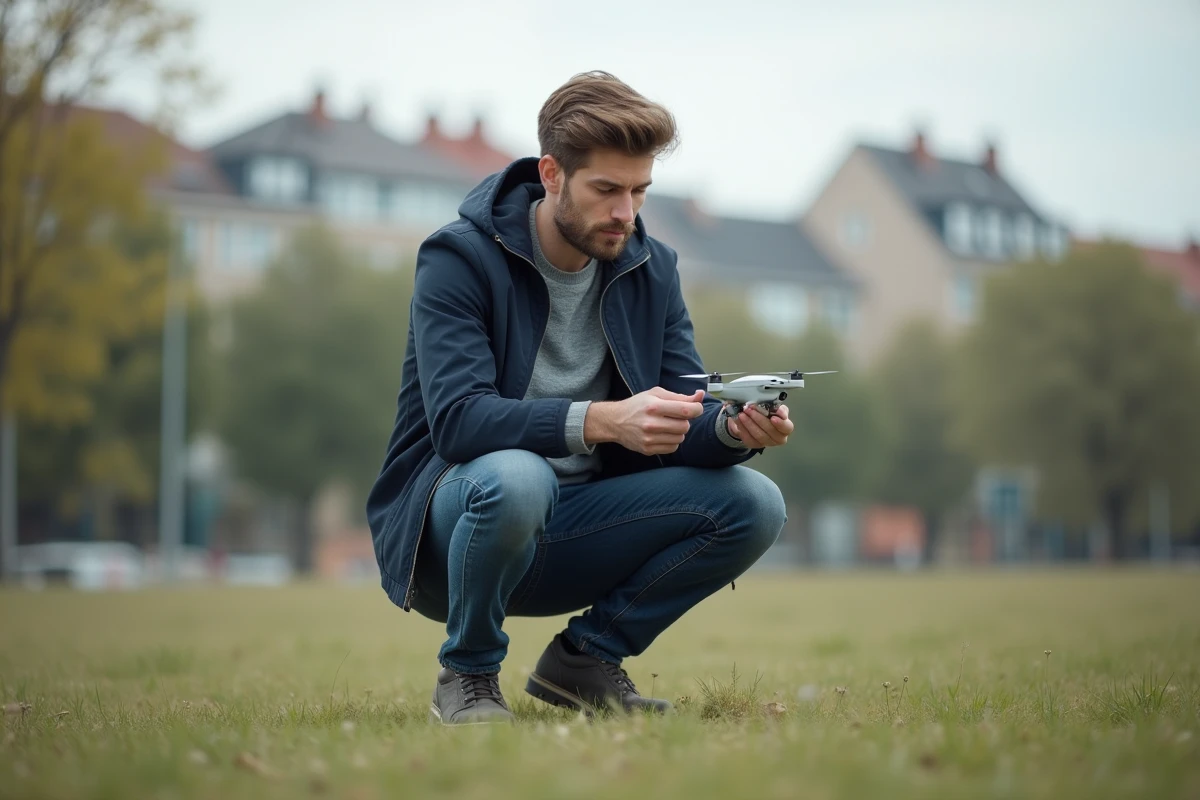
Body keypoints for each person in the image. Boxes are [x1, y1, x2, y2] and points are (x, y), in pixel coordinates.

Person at [366, 71, 792, 726]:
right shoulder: (458, 258)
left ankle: (585, 663)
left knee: (755, 503)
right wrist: (602, 421)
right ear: (552, 174)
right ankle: (469, 675)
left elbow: (681, 415)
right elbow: (457, 423)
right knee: (518, 476)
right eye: (607, 190)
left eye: (640, 191)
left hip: (579, 529)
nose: (627, 213)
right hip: (454, 533)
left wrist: (735, 430)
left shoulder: (654, 269)